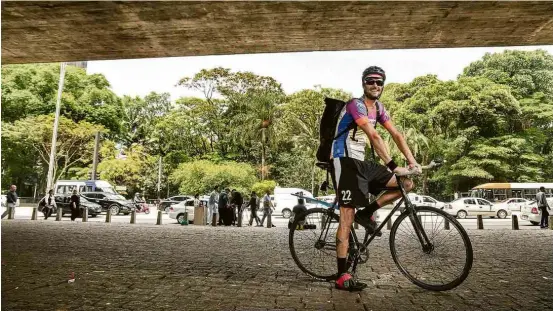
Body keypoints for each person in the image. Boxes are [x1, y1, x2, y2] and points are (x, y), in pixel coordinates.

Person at [331, 66, 420, 291]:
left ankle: (368, 212)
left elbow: (396, 134)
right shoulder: (355, 105)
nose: (375, 86)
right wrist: (393, 165)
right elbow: (374, 135)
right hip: (345, 161)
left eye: (379, 82)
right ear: (363, 83)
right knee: (347, 217)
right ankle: (342, 276)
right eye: (371, 81)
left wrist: (412, 163)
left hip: (363, 163)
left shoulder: (379, 107)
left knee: (406, 184)